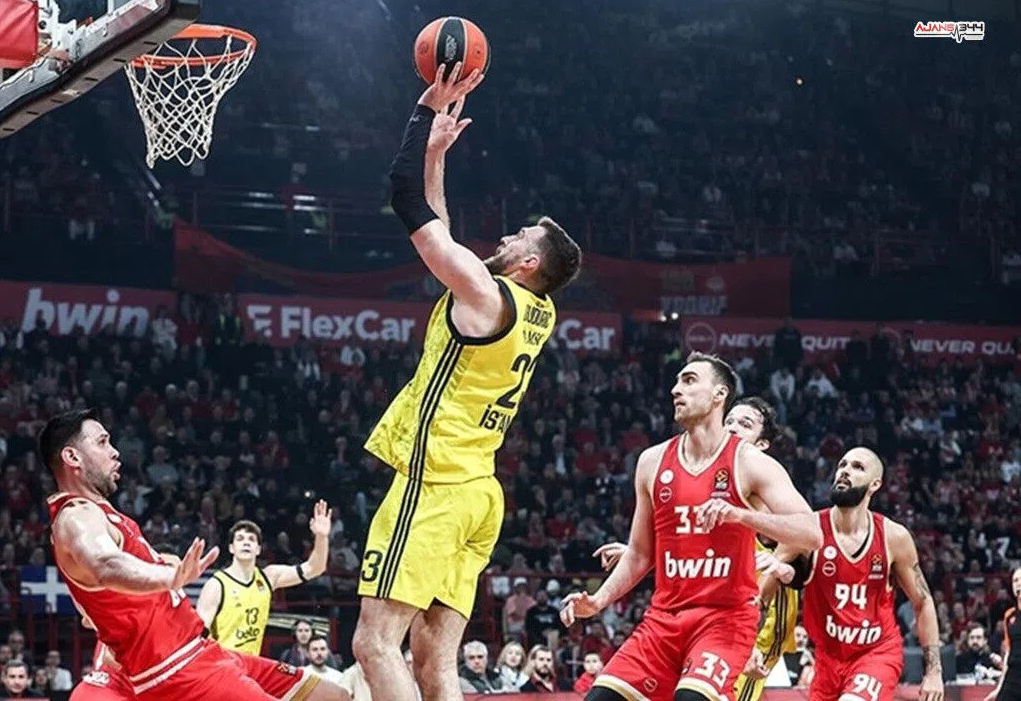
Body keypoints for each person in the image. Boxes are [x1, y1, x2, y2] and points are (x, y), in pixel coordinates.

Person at [353, 62, 584, 701]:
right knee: (436, 664)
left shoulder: (485, 295)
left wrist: (424, 109)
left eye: (519, 236)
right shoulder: (535, 309)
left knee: (374, 644)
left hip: (437, 483)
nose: (506, 236)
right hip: (480, 491)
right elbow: (446, 235)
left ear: (529, 261)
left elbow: (406, 201)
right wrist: (438, 156)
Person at [561, 353, 823, 701]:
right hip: (663, 620)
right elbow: (640, 553)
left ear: (719, 395)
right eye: (676, 382)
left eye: (688, 381)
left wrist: (741, 516)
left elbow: (812, 534)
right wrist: (598, 601)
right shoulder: (652, 461)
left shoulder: (750, 462)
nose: (675, 390)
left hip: (725, 621)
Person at [41, 409, 347, 701]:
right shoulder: (75, 516)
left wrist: (162, 566)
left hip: (205, 651)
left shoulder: (105, 516)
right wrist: (169, 577)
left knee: (335, 695)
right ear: (72, 457)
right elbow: (105, 564)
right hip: (177, 668)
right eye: (102, 442)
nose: (115, 451)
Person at [595, 396, 802, 701]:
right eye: (729, 421)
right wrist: (635, 553)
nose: (732, 428)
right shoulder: (706, 483)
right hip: (697, 619)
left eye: (745, 424)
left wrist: (755, 640)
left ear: (762, 445)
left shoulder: (762, 492)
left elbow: (800, 544)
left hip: (756, 622)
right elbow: (692, 555)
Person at [773, 447, 945, 701]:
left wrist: (934, 672)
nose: (845, 471)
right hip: (827, 659)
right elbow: (764, 582)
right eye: (842, 465)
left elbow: (923, 601)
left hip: (876, 654)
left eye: (857, 467)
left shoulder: (893, 537)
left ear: (875, 484)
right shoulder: (809, 531)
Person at [196, 502, 332, 655]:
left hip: (252, 663)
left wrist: (321, 537)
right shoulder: (216, 584)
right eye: (240, 539)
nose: (246, 542)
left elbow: (315, 568)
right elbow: (198, 636)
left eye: (251, 539)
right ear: (231, 548)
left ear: (258, 549)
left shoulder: (269, 577)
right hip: (222, 664)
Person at [984, 565, 1021, 701]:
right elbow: (1008, 652)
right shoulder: (1009, 616)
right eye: (1015, 580)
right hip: (1013, 676)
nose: (1018, 583)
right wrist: (999, 688)